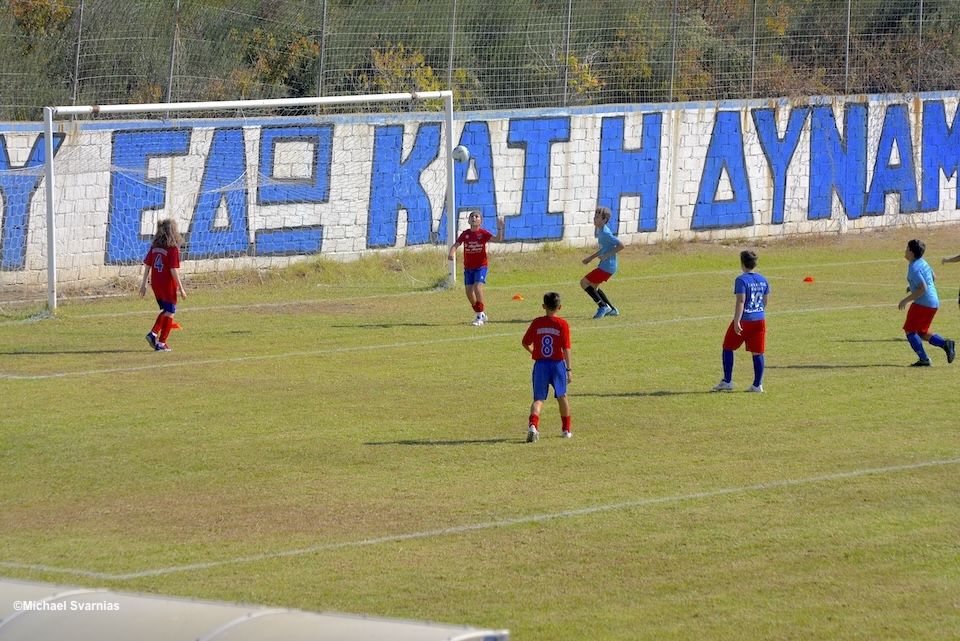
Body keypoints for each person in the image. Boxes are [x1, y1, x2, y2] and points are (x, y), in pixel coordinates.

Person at [713, 250, 770, 393]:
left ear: (742, 263)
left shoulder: (741, 280)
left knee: (728, 347)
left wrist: (737, 321)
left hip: (745, 320)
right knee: (758, 352)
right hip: (760, 320)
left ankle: (727, 381)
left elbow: (741, 301)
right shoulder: (763, 279)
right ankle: (757, 385)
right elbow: (765, 301)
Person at [521, 292, 572, 442]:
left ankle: (533, 426)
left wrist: (534, 352)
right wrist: (569, 369)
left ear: (543, 306)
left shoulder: (537, 323)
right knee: (562, 397)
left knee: (538, 399)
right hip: (557, 365)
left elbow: (525, 342)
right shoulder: (562, 324)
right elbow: (566, 348)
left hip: (541, 365)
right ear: (560, 307)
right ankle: (566, 429)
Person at [898, 239, 955, 366]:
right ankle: (946, 344)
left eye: (907, 248)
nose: (905, 250)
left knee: (910, 331)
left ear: (912, 252)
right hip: (933, 302)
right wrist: (912, 287)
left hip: (922, 303)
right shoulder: (923, 262)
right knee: (922, 332)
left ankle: (924, 359)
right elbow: (933, 277)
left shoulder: (913, 268)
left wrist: (905, 300)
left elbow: (923, 288)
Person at [447, 211, 505, 326]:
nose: (474, 218)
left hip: (481, 267)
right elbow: (456, 244)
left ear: (480, 221)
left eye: (476, 216)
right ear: (468, 220)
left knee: (477, 287)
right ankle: (480, 312)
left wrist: (500, 228)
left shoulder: (483, 233)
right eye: (472, 216)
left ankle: (479, 317)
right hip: (468, 268)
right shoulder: (465, 234)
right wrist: (451, 253)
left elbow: (498, 239)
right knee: (469, 292)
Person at [139, 219, 187, 352]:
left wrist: (144, 284)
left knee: (167, 310)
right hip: (167, 284)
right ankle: (159, 340)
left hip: (156, 283)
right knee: (170, 311)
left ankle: (157, 338)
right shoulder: (172, 249)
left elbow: (148, 264)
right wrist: (181, 288)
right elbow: (173, 270)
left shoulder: (155, 247)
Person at [580, 206, 624, 319]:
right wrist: (591, 258)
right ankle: (612, 309)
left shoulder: (605, 233)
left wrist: (606, 255)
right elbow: (603, 249)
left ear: (604, 220)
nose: (595, 218)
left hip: (607, 267)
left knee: (584, 282)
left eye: (598, 217)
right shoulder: (601, 231)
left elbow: (621, 245)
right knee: (594, 287)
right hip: (608, 267)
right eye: (595, 216)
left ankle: (603, 307)